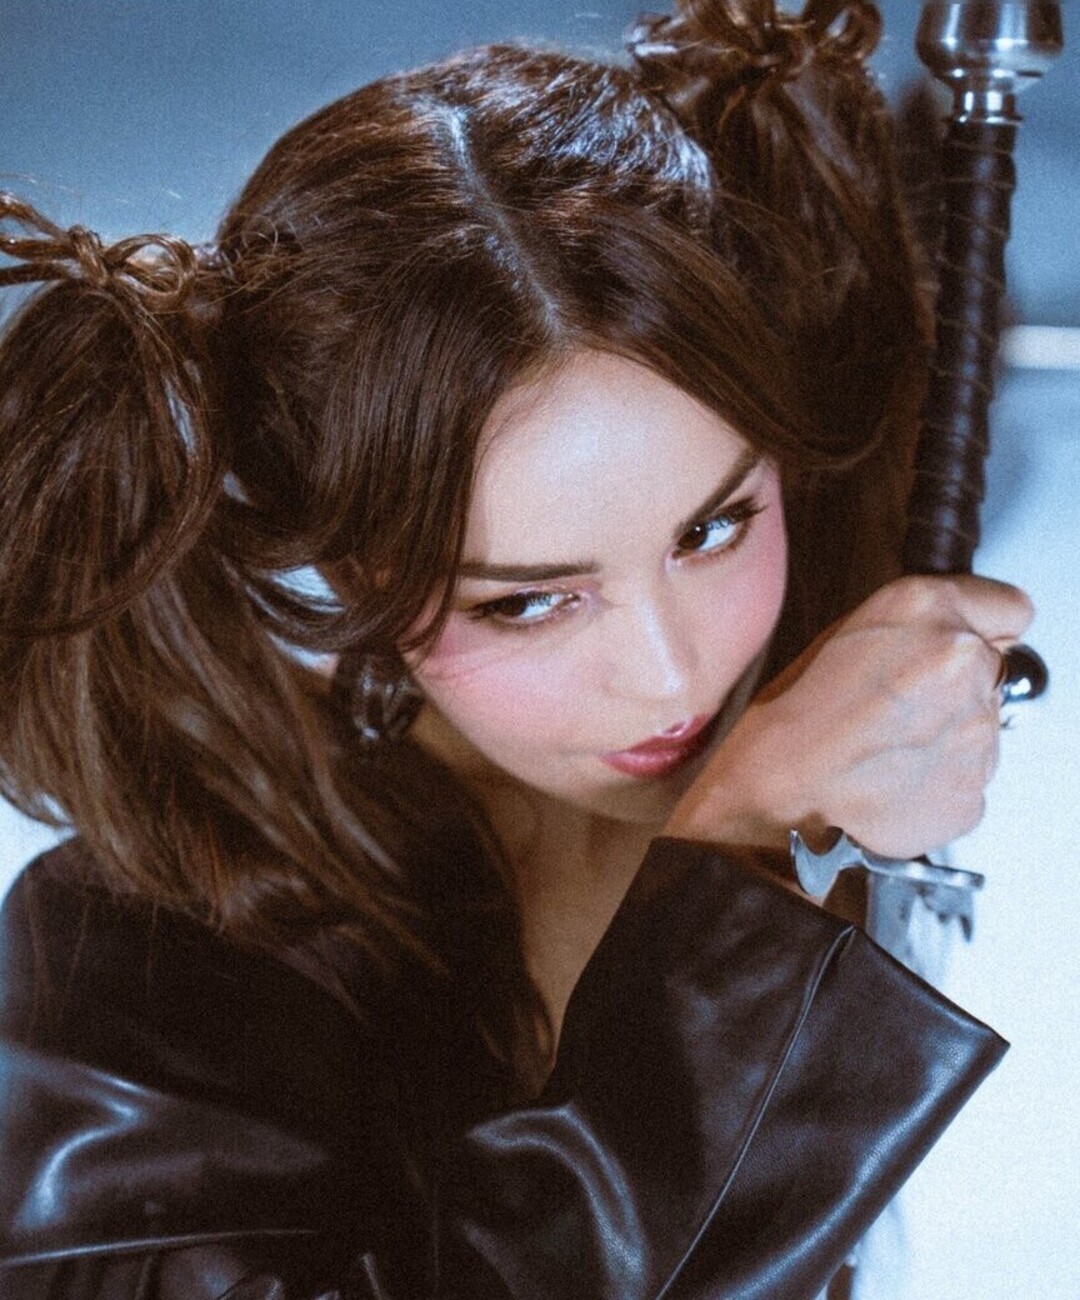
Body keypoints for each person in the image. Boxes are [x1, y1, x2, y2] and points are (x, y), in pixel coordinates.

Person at [0, 1, 1032, 1296]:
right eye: (528, 602)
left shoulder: (831, 756)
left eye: (713, 528)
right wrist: (738, 885)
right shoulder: (136, 964)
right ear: (351, 574)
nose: (673, 675)